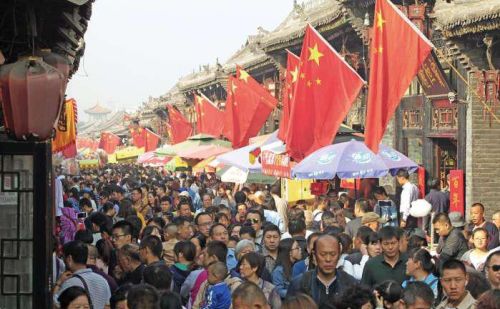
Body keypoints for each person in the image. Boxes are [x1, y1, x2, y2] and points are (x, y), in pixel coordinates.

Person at [287, 235, 357, 307]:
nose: (328, 259)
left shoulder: (351, 284)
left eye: (333, 254)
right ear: (314, 255)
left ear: (339, 255)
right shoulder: (300, 283)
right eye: (323, 254)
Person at [53, 240, 112, 309]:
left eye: (63, 258)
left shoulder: (69, 283)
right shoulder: (102, 280)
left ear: (69, 259)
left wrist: (58, 284)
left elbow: (55, 305)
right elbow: (108, 306)